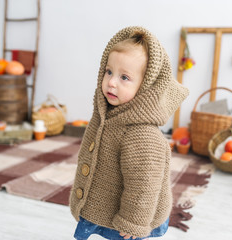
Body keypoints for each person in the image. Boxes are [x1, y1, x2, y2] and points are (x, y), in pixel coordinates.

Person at [69, 26, 189, 240]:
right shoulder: (107, 115)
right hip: (106, 206)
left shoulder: (141, 135)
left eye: (124, 77)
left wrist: (133, 222)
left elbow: (143, 187)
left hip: (129, 219)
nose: (112, 82)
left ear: (145, 87)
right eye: (109, 72)